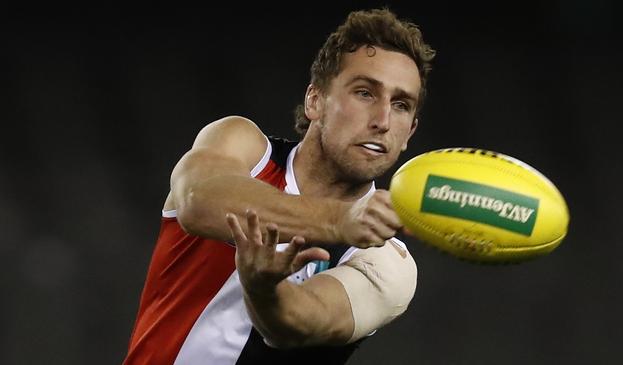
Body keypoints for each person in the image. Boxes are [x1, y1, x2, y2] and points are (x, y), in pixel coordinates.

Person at [123, 8, 435, 365]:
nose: (382, 120)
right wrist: (339, 220)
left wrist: (261, 289)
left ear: (410, 131)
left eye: (401, 105)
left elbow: (298, 324)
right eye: (365, 93)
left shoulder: (387, 261)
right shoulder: (242, 147)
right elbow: (198, 200)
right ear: (315, 100)